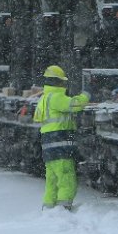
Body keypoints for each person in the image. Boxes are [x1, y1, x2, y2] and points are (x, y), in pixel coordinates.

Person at [32, 65, 91, 210]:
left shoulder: (43, 99)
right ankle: (63, 209)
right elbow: (76, 104)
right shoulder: (57, 97)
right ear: (59, 82)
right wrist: (87, 94)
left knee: (51, 180)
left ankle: (49, 208)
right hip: (60, 144)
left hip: (48, 146)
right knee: (66, 178)